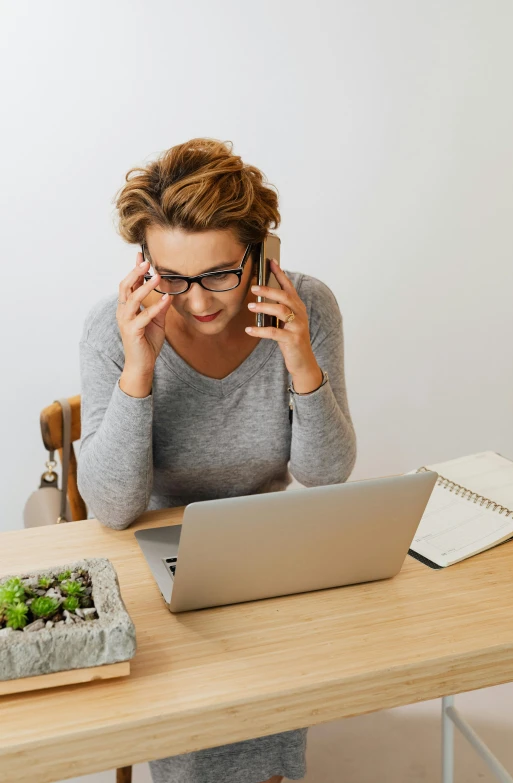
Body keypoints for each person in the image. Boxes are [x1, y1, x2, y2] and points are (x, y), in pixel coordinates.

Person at [77, 138, 357, 783]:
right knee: (192, 726)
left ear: (260, 255)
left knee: (272, 713)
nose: (198, 301)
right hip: (153, 554)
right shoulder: (112, 328)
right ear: (143, 263)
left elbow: (325, 473)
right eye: (172, 277)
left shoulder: (305, 307)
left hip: (264, 553)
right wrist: (139, 369)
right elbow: (113, 507)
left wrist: (299, 358)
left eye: (219, 275)